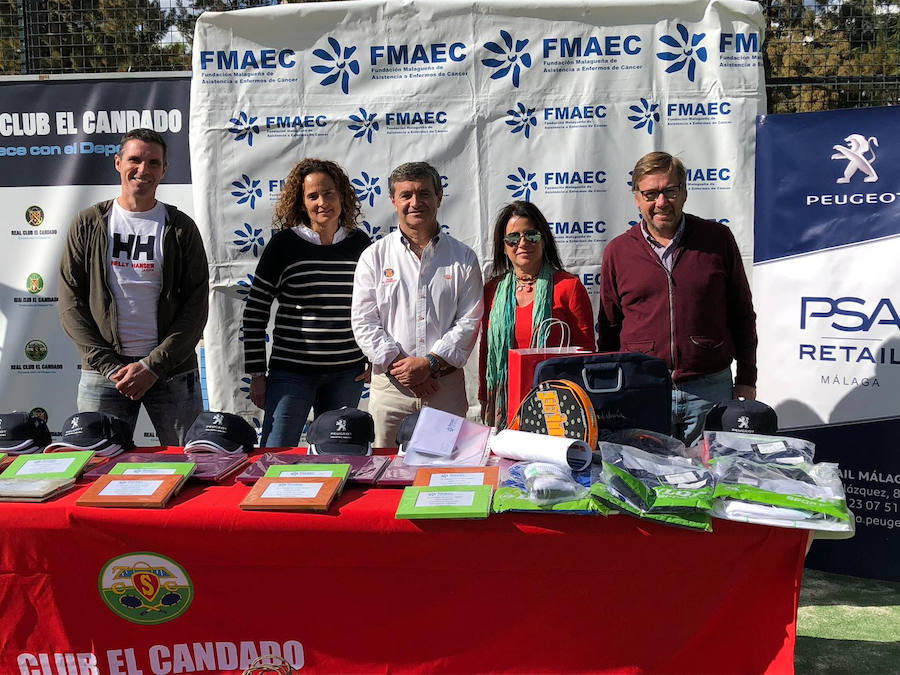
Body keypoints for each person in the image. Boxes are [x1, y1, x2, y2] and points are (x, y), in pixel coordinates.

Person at [58, 128, 208, 445]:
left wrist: (152, 367)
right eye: (135, 160)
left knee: (189, 468)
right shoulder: (88, 223)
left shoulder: (181, 228)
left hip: (172, 373)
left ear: (164, 169)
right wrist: (111, 368)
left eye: (154, 163)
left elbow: (195, 309)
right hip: (103, 375)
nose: (143, 170)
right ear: (118, 162)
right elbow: (71, 305)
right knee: (96, 466)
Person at [597, 151, 757, 445]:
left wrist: (747, 378)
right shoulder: (618, 252)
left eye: (670, 191)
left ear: (684, 192)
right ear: (636, 198)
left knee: (709, 480)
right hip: (642, 390)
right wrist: (610, 390)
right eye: (651, 193)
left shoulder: (717, 239)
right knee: (644, 481)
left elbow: (741, 313)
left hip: (709, 389)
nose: (661, 203)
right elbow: (609, 328)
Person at [351, 161, 484, 447]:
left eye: (424, 193)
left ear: (439, 197)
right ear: (393, 201)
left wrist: (430, 364)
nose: (415, 202)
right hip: (390, 390)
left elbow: (470, 321)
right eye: (406, 195)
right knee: (385, 477)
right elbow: (364, 321)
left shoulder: (464, 258)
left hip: (444, 389)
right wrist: (406, 369)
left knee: (446, 475)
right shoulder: (374, 257)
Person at [242, 159, 371, 447]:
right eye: (313, 196)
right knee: (276, 454)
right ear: (302, 202)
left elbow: (378, 307)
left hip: (347, 373)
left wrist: (375, 357)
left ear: (342, 196)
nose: (322, 202)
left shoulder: (360, 245)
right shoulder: (284, 246)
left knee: (337, 455)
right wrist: (257, 375)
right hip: (291, 374)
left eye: (329, 193)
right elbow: (255, 313)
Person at [479, 201, 595, 428]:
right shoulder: (492, 290)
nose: (522, 243)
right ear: (503, 246)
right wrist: (486, 397)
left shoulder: (568, 287)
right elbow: (486, 351)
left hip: (557, 405)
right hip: (507, 402)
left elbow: (586, 353)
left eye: (530, 235)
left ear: (544, 239)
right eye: (513, 238)